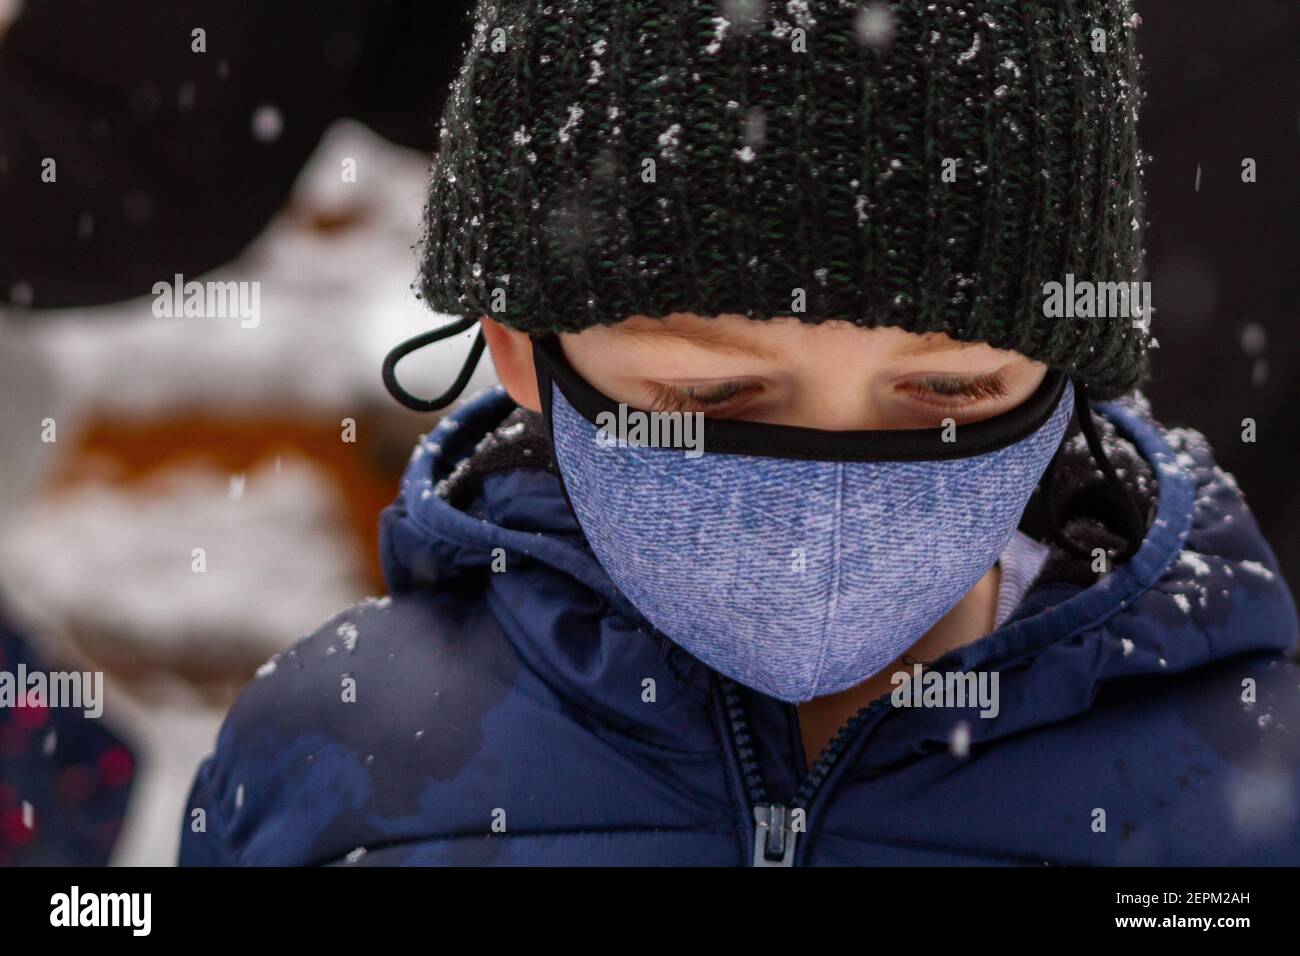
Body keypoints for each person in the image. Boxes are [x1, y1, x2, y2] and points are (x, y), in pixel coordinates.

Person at [179, 0, 1299, 866]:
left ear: (1071, 373)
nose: (829, 505)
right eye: (713, 398)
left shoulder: (1245, 784)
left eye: (948, 390)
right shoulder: (336, 758)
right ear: (521, 348)